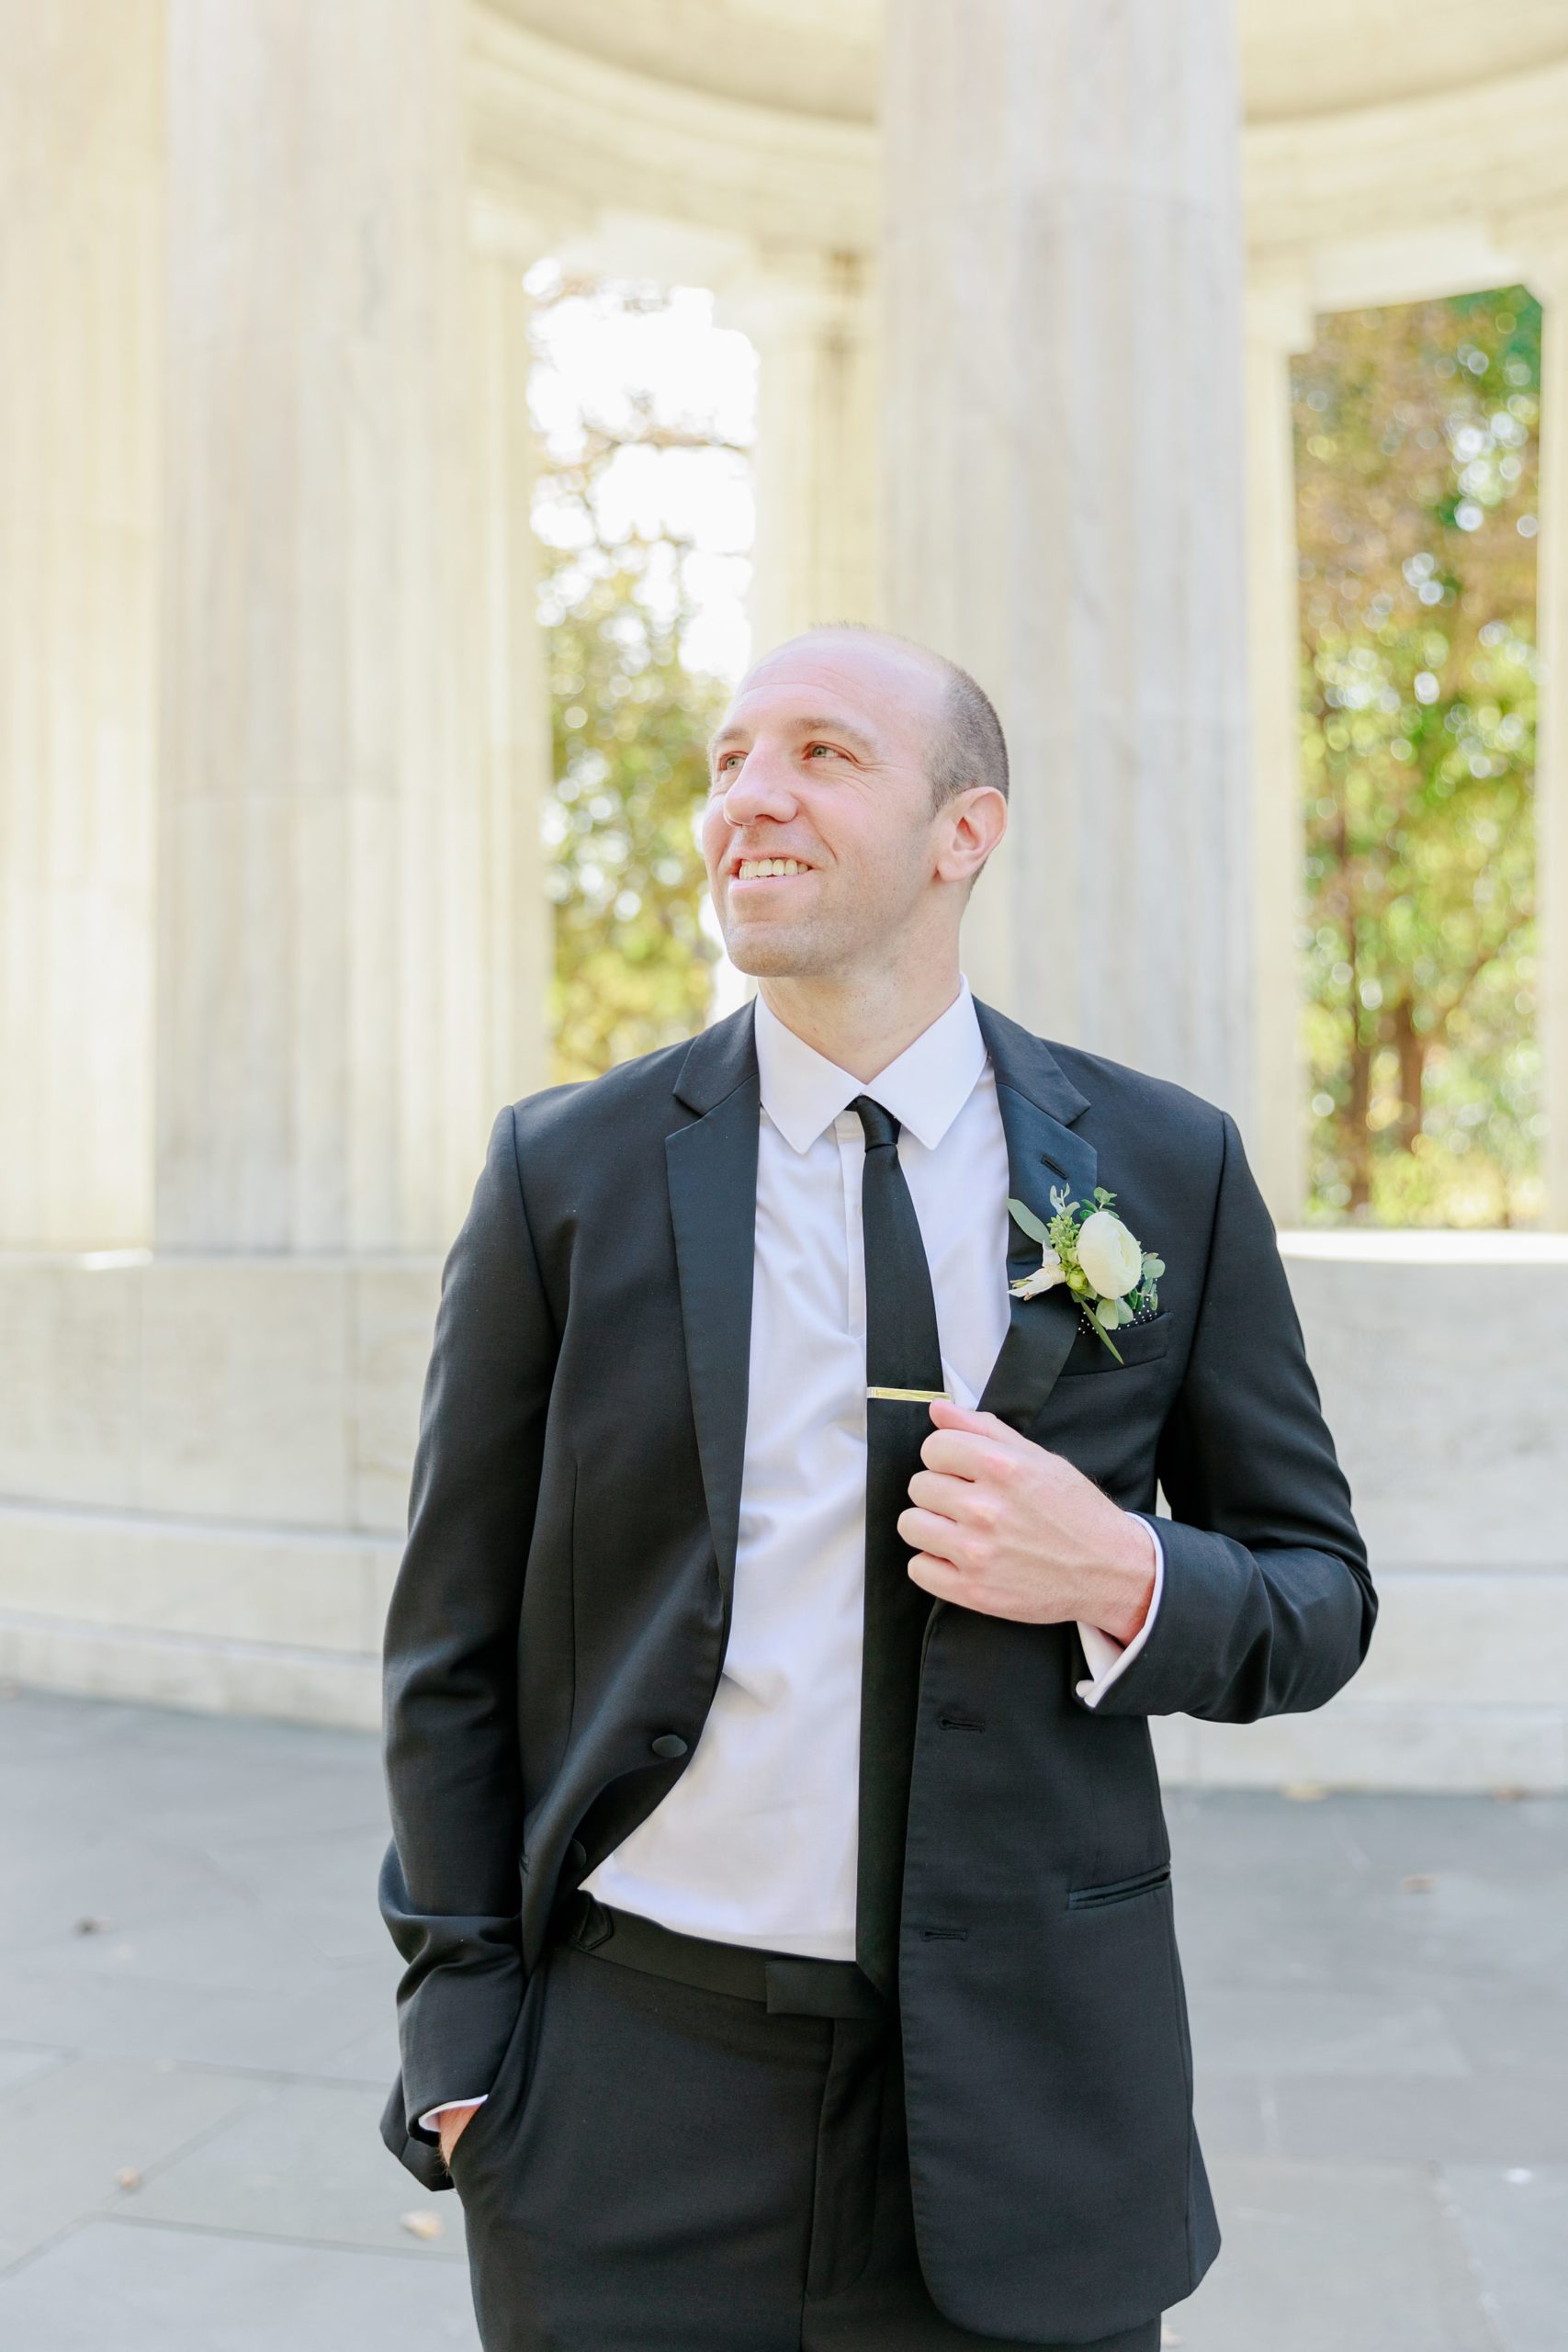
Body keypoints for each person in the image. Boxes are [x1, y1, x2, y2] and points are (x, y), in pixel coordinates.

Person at [378, 624, 1374, 2351]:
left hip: (1030, 2088)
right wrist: (464, 2040)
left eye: (822, 755)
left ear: (962, 833)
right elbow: (448, 1641)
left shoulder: (1163, 1166)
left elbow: (1319, 1596)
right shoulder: (567, 1173)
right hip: (627, 2081)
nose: (750, 798)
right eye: (728, 760)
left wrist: (1121, 1573)